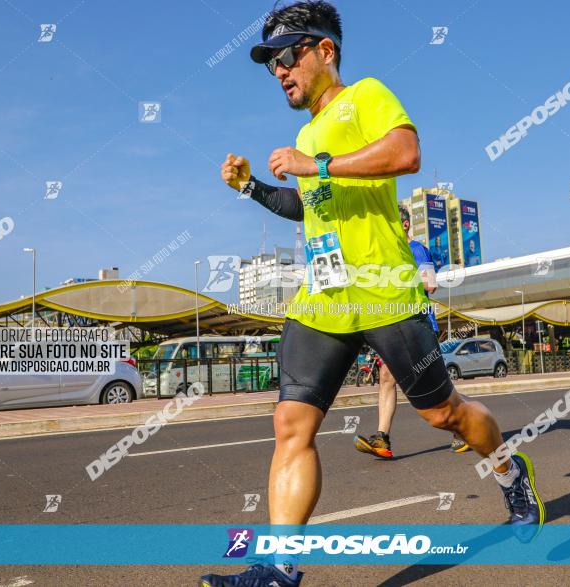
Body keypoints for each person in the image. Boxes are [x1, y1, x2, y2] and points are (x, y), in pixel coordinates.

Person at [203, 3, 543, 585]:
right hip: (324, 300)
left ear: (324, 51)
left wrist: (321, 163)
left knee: (445, 416)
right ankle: (279, 568)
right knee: (291, 424)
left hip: (385, 291)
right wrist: (252, 187)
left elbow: (406, 154)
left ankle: (511, 474)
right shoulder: (306, 132)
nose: (279, 71)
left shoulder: (365, 96)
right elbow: (306, 205)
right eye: (270, 65)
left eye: (287, 57)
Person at [353, 205, 469, 458]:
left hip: (419, 323)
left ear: (404, 224)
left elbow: (431, 285)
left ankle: (465, 426)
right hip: (395, 324)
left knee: (437, 382)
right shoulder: (386, 252)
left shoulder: (417, 250)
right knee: (386, 376)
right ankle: (382, 438)